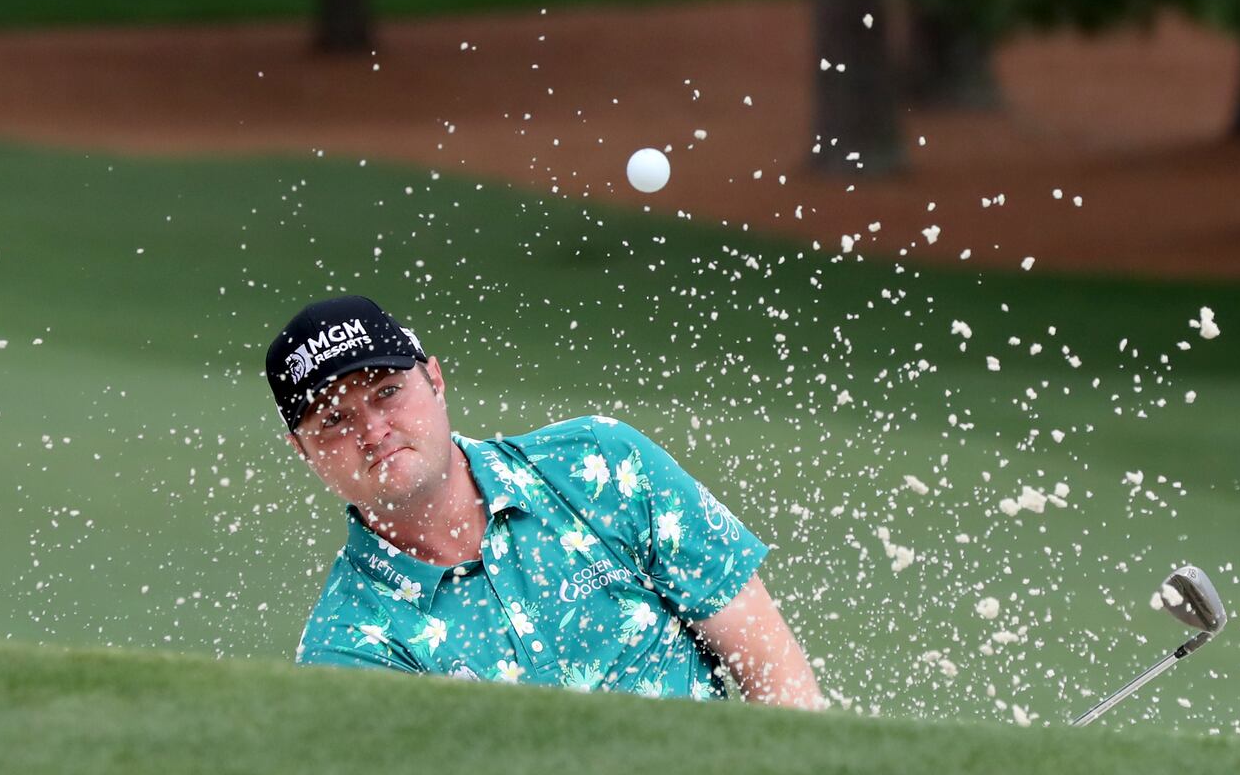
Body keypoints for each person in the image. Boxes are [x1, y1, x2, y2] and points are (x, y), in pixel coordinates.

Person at [266, 295, 825, 708]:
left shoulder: (600, 465)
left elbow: (774, 673)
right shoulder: (348, 648)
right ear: (303, 451)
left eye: (387, 392)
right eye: (335, 420)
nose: (373, 429)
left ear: (435, 380)